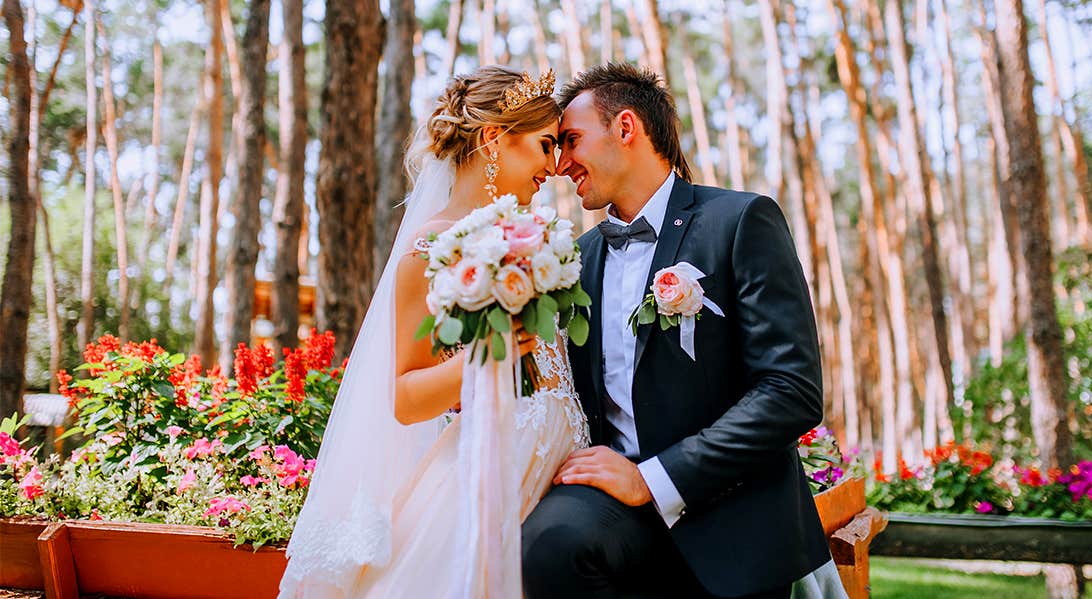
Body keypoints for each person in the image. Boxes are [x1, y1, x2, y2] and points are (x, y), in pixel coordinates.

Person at [520, 62, 847, 599]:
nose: (560, 164)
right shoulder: (575, 260)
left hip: (731, 508)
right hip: (612, 510)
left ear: (626, 128)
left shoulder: (741, 221)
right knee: (546, 545)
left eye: (571, 140)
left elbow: (791, 393)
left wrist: (652, 478)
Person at [278, 65, 589, 598]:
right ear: (494, 138)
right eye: (544, 145)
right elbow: (405, 397)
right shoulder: (430, 250)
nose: (555, 166)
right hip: (487, 473)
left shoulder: (536, 242)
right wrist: (481, 360)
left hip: (553, 474)